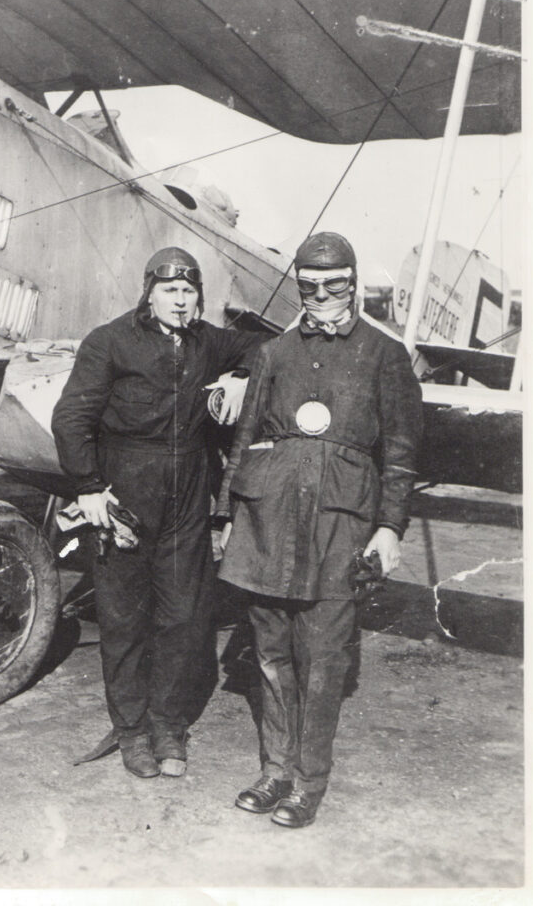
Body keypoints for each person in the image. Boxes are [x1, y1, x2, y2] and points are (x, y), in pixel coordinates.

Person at [217, 231, 422, 827]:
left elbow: (402, 456)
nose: (322, 295)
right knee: (272, 653)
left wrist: (390, 528)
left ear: (354, 285)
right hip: (268, 519)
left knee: (324, 657)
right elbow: (244, 436)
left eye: (335, 284)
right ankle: (275, 769)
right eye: (310, 286)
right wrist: (228, 516)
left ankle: (309, 780)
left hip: (341, 526)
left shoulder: (386, 357)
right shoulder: (273, 354)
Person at [51, 246, 262, 779]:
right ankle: (131, 732)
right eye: (170, 290)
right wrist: (90, 486)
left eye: (189, 291)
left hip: (189, 494)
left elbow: (267, 346)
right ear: (149, 291)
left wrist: (240, 375)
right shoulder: (110, 341)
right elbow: (70, 418)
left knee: (184, 618)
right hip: (124, 493)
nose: (180, 300)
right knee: (123, 620)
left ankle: (168, 725)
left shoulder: (208, 341)